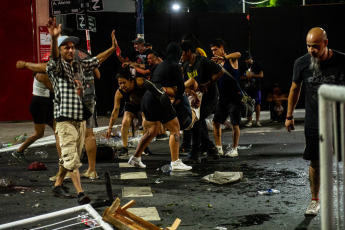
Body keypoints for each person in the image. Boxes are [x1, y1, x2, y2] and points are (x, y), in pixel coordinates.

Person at [45, 17, 117, 204]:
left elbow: (97, 59)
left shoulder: (79, 65)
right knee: (71, 157)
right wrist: (54, 39)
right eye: (66, 47)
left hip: (79, 120)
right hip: (64, 120)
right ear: (60, 51)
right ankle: (80, 193)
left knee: (72, 156)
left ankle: (58, 185)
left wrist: (112, 47)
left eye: (72, 47)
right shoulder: (56, 67)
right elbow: (53, 57)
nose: (70, 50)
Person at [285, 27, 345, 216]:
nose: (312, 50)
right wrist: (289, 116)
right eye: (309, 46)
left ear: (325, 44)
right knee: (315, 162)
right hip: (315, 122)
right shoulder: (301, 63)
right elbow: (295, 89)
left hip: (341, 122)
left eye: (315, 46)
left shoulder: (342, 60)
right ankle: (314, 200)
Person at [128, 42, 192, 171]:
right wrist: (178, 99)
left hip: (147, 99)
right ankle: (175, 162)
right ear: (178, 54)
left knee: (152, 131)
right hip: (159, 99)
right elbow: (181, 86)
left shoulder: (160, 65)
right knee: (175, 128)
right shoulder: (175, 66)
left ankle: (135, 158)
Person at [180, 40, 224, 164]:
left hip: (209, 99)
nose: (181, 56)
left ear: (189, 52)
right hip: (196, 99)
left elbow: (221, 71)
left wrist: (208, 84)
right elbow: (186, 85)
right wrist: (191, 94)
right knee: (197, 122)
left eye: (182, 53)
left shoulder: (202, 61)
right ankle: (211, 149)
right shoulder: (185, 66)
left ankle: (195, 154)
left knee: (196, 122)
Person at [12, 55, 61, 163]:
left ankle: (62, 157)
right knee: (39, 133)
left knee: (57, 129)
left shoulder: (48, 73)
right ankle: (19, 151)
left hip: (46, 102)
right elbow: (52, 88)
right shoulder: (42, 74)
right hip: (39, 103)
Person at [105, 68, 151, 156]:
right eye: (120, 83)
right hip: (131, 106)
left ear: (130, 80)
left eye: (124, 83)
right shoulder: (119, 92)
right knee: (125, 122)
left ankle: (145, 147)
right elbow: (115, 110)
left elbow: (153, 88)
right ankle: (124, 147)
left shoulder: (139, 82)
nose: (122, 85)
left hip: (143, 104)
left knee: (145, 122)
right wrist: (110, 128)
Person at [210, 39, 242, 157]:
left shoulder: (230, 59)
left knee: (235, 124)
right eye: (212, 50)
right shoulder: (216, 63)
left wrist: (224, 58)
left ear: (222, 48)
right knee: (215, 122)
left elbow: (238, 54)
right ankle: (219, 148)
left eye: (215, 49)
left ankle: (235, 149)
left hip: (234, 97)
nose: (213, 52)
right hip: (222, 98)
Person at [240, 51, 263, 127]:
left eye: (247, 59)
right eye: (245, 60)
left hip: (256, 87)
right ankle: (250, 121)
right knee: (248, 103)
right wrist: (244, 77)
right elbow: (240, 77)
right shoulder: (243, 66)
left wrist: (252, 75)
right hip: (247, 88)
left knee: (257, 103)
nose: (246, 61)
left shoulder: (257, 64)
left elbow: (261, 75)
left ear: (251, 58)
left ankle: (257, 121)